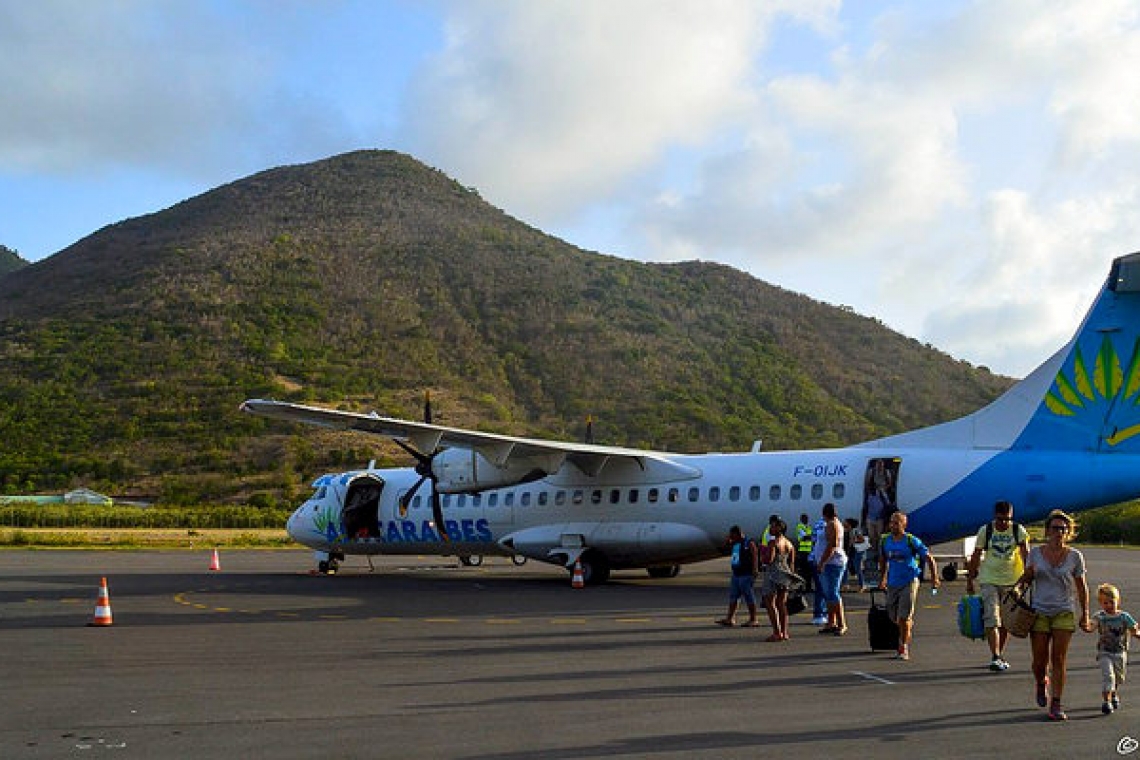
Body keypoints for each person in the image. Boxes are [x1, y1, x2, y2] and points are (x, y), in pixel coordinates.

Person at [1015, 509, 1092, 721]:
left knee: (1058, 658)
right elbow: (1026, 579)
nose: (1060, 532)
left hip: (1064, 611)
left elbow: (1082, 587)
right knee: (1039, 662)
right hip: (1039, 610)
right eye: (1055, 528)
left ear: (1068, 532)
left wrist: (1085, 613)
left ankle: (1056, 703)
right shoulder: (1035, 554)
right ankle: (1041, 682)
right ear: (1047, 531)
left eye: (1063, 528)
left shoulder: (1075, 556)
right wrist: (1018, 591)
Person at [966, 500, 1030, 672]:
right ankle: (995, 655)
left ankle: (999, 654)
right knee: (991, 617)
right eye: (1000, 519)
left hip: (1012, 580)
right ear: (994, 517)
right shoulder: (985, 531)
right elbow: (976, 555)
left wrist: (1027, 578)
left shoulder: (1018, 531)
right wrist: (970, 579)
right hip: (989, 579)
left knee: (1006, 622)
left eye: (1007, 519)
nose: (1003, 523)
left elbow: (1026, 556)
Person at [877, 511, 940, 660]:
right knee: (893, 616)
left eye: (896, 523)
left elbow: (929, 558)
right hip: (893, 582)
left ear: (904, 525)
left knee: (904, 617)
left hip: (909, 581)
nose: (892, 525)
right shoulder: (885, 541)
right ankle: (906, 625)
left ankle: (903, 647)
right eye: (891, 522)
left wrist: (934, 577)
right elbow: (883, 560)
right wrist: (883, 578)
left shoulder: (911, 541)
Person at [1093, 583, 1140, 715]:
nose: (1108, 605)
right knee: (1108, 676)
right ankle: (1106, 702)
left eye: (1111, 602)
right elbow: (1091, 626)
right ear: (1101, 603)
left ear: (1117, 601)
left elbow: (1134, 631)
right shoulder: (1100, 616)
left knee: (1118, 678)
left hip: (1120, 652)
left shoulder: (1124, 617)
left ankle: (1113, 693)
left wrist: (1136, 631)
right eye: (1105, 603)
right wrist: (1086, 624)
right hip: (1105, 652)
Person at [760, 519, 797, 642]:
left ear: (779, 529)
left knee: (770, 603)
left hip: (773, 573)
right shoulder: (789, 543)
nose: (770, 528)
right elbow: (791, 562)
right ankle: (784, 632)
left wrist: (762, 556)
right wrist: (790, 576)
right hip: (785, 573)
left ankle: (776, 632)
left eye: (773, 526)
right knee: (782, 604)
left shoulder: (773, 542)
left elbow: (768, 560)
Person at [717, 525, 760, 627]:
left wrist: (755, 569)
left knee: (749, 596)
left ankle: (753, 619)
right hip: (736, 574)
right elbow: (726, 546)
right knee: (734, 597)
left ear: (738, 534)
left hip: (746, 574)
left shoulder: (749, 542)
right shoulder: (735, 543)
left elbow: (755, 555)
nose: (731, 537)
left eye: (733, 535)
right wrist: (728, 540)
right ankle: (730, 618)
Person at [816, 503, 847, 635]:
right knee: (829, 593)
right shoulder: (833, 523)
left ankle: (841, 623)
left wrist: (822, 562)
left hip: (832, 563)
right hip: (831, 562)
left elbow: (832, 545)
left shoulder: (832, 524)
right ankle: (831, 622)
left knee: (833, 593)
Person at [795, 513, 814, 593]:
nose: (806, 520)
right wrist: (811, 537)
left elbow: (810, 537)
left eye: (807, 518)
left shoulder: (808, 527)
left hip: (809, 552)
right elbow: (804, 537)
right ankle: (800, 588)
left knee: (809, 571)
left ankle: (808, 587)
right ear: (801, 519)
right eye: (804, 518)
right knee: (802, 571)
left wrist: (810, 537)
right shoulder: (800, 527)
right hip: (802, 552)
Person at [850, 521, 870, 591]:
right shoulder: (853, 530)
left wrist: (854, 542)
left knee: (858, 569)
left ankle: (862, 585)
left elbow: (862, 539)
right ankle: (861, 584)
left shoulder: (855, 530)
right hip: (857, 552)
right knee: (857, 568)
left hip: (859, 552)